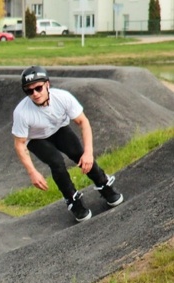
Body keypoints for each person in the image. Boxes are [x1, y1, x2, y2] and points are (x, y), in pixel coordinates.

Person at [12, 65, 124, 222]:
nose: (35, 94)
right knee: (57, 163)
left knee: (79, 154)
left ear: (47, 84)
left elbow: (83, 122)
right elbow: (19, 144)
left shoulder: (63, 98)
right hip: (36, 139)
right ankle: (73, 201)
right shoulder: (21, 112)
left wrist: (88, 153)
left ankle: (104, 185)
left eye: (38, 88)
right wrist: (32, 172)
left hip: (59, 129)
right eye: (29, 91)